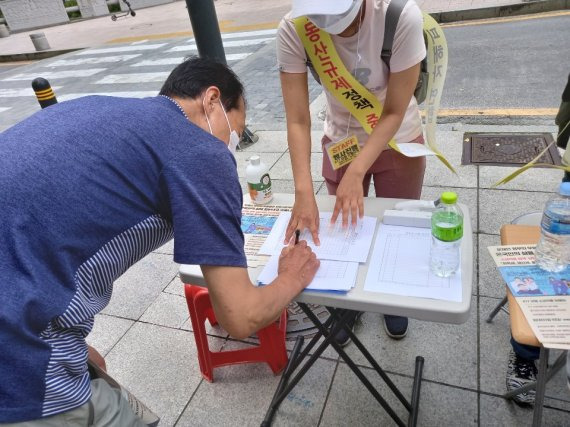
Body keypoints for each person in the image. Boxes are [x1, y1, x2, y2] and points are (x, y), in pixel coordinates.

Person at [0, 57, 319, 426]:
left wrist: (73, 346)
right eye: (237, 130)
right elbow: (240, 316)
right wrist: (292, 277)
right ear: (212, 101)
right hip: (19, 357)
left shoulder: (96, 107)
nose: (231, 144)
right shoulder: (199, 150)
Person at [276, 0, 427, 344]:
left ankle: (393, 297)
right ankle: (347, 300)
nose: (334, 28)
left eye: (342, 17)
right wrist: (303, 191)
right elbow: (298, 119)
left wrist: (357, 172)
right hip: (342, 137)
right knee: (345, 229)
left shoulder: (399, 16)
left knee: (398, 223)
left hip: (397, 136)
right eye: (322, 18)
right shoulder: (294, 26)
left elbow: (392, 112)